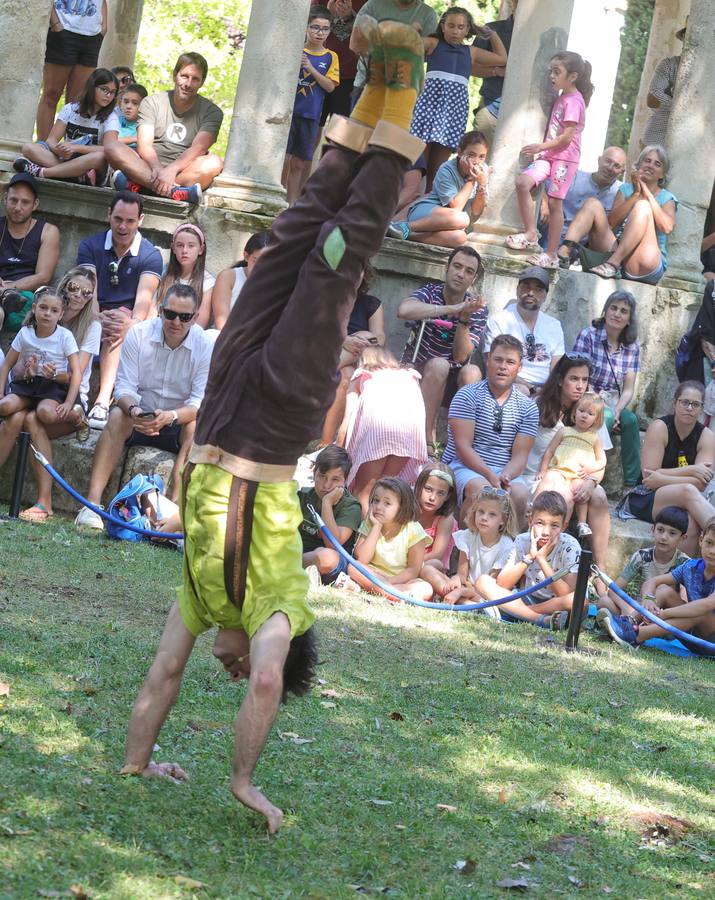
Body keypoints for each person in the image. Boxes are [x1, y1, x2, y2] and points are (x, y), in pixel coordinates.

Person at [119, 18, 426, 834]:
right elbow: (262, 684)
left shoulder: (197, 599)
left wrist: (136, 761)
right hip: (280, 416)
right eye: (243, 666)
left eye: (227, 667)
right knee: (335, 260)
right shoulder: (275, 608)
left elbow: (160, 677)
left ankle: (372, 96)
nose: (226, 670)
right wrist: (243, 780)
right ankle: (399, 94)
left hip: (222, 406)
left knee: (290, 238)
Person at [75, 283, 212, 518]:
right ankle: (91, 506)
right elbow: (124, 387)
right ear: (160, 310)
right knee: (118, 415)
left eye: (185, 316)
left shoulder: (205, 346)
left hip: (178, 422)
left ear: (196, 317)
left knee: (198, 427)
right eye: (170, 314)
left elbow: (199, 403)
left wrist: (172, 417)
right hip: (138, 416)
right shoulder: (139, 334)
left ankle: (175, 515)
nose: (176, 322)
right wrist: (135, 410)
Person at [522, 353, 612, 598]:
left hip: (580, 477)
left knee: (600, 496)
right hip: (542, 475)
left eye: (585, 379)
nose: (580, 385)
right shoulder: (538, 404)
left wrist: (591, 481)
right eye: (574, 378)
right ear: (561, 379)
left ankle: (601, 569)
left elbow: (601, 462)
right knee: (558, 488)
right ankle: (538, 562)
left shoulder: (592, 410)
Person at [17, 267, 101, 522]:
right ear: (64, 286)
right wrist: (31, 370)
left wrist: (50, 374)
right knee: (24, 418)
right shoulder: (45, 312)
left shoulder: (91, 326)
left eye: (86, 293)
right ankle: (44, 502)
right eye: (74, 288)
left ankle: (77, 417)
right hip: (37, 389)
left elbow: (76, 374)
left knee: (33, 419)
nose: (78, 296)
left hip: (68, 394)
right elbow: (19, 366)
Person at [76, 190, 163, 428]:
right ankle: (76, 395)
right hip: (92, 309)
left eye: (130, 221)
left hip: (128, 317)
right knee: (96, 320)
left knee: (119, 323)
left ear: (141, 220)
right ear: (109, 215)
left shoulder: (151, 255)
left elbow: (143, 303)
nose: (123, 226)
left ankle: (103, 400)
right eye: (118, 219)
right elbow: (87, 291)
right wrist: (95, 317)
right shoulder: (90, 246)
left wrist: (129, 323)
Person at [506, 51, 593, 269]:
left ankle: (552, 253)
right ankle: (530, 233)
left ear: (572, 76)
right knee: (522, 182)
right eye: (551, 71)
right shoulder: (562, 97)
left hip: (564, 159)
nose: (552, 76)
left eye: (557, 72)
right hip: (549, 156)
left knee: (555, 203)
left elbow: (566, 138)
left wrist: (540, 147)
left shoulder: (574, 101)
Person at [442, 333, 539, 527]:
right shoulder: (467, 395)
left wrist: (505, 476)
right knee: (482, 492)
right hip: (465, 467)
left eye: (510, 362)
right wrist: (489, 475)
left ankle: (509, 553)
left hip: (506, 471)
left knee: (520, 496)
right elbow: (463, 447)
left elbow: (520, 456)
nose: (503, 366)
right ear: (488, 360)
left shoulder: (528, 408)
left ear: (519, 367)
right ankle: (463, 554)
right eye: (498, 360)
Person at [396, 245, 485, 450]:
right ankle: (425, 441)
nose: (461, 274)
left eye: (469, 271)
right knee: (438, 365)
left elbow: (461, 356)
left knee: (472, 371)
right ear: (447, 267)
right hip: (419, 370)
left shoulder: (476, 309)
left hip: (452, 376)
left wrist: (463, 319)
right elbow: (403, 310)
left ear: (474, 279)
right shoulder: (430, 292)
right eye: (457, 266)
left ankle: (460, 447)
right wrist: (450, 309)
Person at [409, 7, 506, 191]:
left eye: (461, 27)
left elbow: (501, 58)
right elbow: (409, 45)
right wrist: (415, 30)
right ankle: (407, 205)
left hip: (453, 112)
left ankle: (428, 206)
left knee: (437, 169)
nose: (455, 31)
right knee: (417, 164)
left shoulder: (471, 52)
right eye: (451, 26)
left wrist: (491, 34)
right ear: (442, 26)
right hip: (429, 107)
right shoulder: (433, 43)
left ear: (468, 29)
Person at [108, 52, 224, 203]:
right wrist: (158, 169)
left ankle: (139, 185)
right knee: (113, 147)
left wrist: (171, 170)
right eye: (184, 76)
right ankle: (175, 192)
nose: (188, 84)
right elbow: (144, 144)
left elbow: (198, 149)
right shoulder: (152, 102)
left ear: (202, 82)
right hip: (148, 166)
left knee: (214, 162)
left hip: (183, 171)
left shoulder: (212, 112)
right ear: (175, 75)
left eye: (195, 79)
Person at [620, 381, 715, 556]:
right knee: (687, 490)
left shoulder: (707, 436)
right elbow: (649, 476)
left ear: (702, 409)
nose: (689, 408)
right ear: (675, 403)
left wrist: (662, 478)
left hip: (685, 501)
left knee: (691, 526)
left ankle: (680, 580)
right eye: (684, 402)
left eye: (695, 404)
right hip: (647, 497)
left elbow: (701, 484)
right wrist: (693, 470)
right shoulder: (660, 427)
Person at [558, 145, 677, 284]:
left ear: (662, 174)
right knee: (592, 203)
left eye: (657, 164)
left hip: (643, 261)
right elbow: (612, 222)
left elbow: (667, 228)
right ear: (639, 164)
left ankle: (613, 264)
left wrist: (647, 194)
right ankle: (564, 253)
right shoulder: (625, 189)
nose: (650, 165)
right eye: (647, 160)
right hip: (615, 251)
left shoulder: (668, 198)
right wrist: (636, 194)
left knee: (643, 206)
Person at [598, 516, 715, 657]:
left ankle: (637, 635)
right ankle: (630, 622)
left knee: (699, 610)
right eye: (709, 542)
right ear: (701, 540)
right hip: (690, 634)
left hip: (710, 643)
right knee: (663, 590)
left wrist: (663, 614)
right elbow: (651, 583)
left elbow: (706, 606)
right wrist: (648, 600)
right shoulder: (690, 567)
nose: (712, 551)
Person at [338, 346, 427, 512]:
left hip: (377, 434)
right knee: (385, 491)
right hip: (408, 436)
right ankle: (379, 534)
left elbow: (347, 421)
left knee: (363, 493)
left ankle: (360, 536)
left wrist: (336, 452)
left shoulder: (362, 375)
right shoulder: (410, 375)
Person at [476, 490, 579, 630]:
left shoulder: (570, 546)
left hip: (557, 604)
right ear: (530, 521)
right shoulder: (522, 540)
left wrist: (542, 560)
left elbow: (567, 594)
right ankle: (540, 620)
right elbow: (503, 584)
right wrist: (529, 557)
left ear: (564, 526)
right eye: (540, 523)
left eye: (554, 525)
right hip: (528, 598)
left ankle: (518, 612)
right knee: (483, 581)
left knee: (577, 601)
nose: (546, 532)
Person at [573, 290, 641, 487]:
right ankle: (595, 471)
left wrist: (619, 409)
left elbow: (628, 388)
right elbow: (577, 373)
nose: (617, 314)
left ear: (629, 319)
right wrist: (602, 404)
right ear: (605, 311)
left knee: (630, 420)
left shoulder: (632, 347)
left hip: (612, 400)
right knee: (607, 417)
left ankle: (631, 482)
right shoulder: (589, 335)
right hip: (587, 395)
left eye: (623, 311)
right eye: (613, 308)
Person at [0, 288, 81, 441]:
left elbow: (76, 372)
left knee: (45, 413)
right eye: (43, 307)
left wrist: (69, 402)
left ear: (61, 315)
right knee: (3, 406)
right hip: (27, 384)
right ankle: (26, 407)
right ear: (34, 308)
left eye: (54, 310)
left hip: (52, 387)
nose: (47, 313)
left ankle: (76, 416)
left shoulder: (65, 336)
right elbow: (6, 365)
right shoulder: (25, 332)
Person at [15, 68, 120, 187]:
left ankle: (43, 172)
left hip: (91, 166)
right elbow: (51, 140)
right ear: (92, 87)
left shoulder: (112, 117)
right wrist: (58, 150)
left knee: (100, 157)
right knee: (28, 148)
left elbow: (109, 150)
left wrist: (76, 148)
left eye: (113, 92)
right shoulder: (70, 109)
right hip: (67, 160)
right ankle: (75, 175)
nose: (108, 95)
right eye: (104, 89)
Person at [319, 262, 385, 446]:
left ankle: (320, 374)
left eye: (359, 271)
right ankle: (325, 442)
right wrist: (344, 340)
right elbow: (316, 331)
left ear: (365, 274)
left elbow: (379, 337)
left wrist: (362, 341)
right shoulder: (326, 299)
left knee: (366, 336)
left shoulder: (371, 304)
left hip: (358, 357)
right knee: (346, 376)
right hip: (326, 350)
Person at [389, 130, 489, 247]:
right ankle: (407, 227)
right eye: (471, 155)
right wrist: (472, 179)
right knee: (462, 218)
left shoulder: (483, 171)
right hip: (427, 211)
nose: (476, 162)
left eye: (482, 157)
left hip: (449, 223)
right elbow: (456, 208)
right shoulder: (446, 169)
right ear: (460, 152)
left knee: (459, 238)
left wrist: (482, 184)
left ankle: (403, 233)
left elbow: (476, 211)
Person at [283, 6, 340, 206]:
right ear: (306, 28)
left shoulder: (331, 56)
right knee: (283, 158)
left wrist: (310, 68)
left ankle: (291, 203)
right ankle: (278, 198)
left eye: (324, 29)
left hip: (311, 115)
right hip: (288, 114)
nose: (319, 32)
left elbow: (330, 86)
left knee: (299, 162)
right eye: (315, 27)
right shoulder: (296, 50)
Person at [426, 483, 516, 607]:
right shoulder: (468, 536)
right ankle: (467, 604)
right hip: (466, 587)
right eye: (481, 512)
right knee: (428, 568)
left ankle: (464, 602)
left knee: (485, 594)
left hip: (484, 594)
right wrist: (456, 579)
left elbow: (490, 586)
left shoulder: (506, 546)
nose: (484, 518)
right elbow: (462, 575)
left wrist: (461, 591)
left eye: (492, 514)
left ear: (503, 520)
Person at [345, 476, 432, 600]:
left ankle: (381, 591)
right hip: (373, 575)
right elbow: (362, 559)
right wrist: (376, 527)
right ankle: (396, 596)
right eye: (376, 500)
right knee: (354, 567)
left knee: (426, 588)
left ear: (402, 507)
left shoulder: (414, 529)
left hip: (401, 580)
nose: (379, 507)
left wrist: (389, 581)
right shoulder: (370, 523)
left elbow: (413, 570)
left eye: (387, 503)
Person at [482, 265, 564, 397]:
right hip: (511, 385)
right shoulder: (499, 320)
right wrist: (531, 388)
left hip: (545, 390)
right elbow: (491, 363)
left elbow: (557, 368)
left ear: (545, 295)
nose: (531, 293)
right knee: (522, 391)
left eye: (538, 289)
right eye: (526, 286)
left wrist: (549, 391)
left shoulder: (554, 325)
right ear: (517, 289)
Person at [597, 505, 689, 618]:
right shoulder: (642, 556)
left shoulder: (685, 563)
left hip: (664, 614)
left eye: (672, 533)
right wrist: (627, 608)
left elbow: (684, 604)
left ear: (682, 538)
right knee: (604, 602)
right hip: (641, 608)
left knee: (665, 594)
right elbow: (614, 590)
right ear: (653, 530)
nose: (664, 537)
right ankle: (630, 621)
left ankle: (628, 625)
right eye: (660, 530)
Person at [536, 392, 606, 536]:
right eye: (581, 411)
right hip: (559, 469)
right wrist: (543, 469)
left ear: (597, 419)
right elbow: (550, 450)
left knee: (579, 493)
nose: (584, 416)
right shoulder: (564, 431)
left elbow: (602, 460)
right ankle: (534, 506)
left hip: (578, 474)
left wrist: (590, 468)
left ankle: (578, 522)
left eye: (590, 414)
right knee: (547, 479)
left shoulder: (595, 438)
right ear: (575, 412)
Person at [36, 0, 108, 141]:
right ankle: (43, 148)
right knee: (52, 94)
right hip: (63, 30)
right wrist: (56, 24)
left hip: (92, 35)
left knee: (77, 101)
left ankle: (67, 150)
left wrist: (104, 26)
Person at [539, 146, 627, 257]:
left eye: (616, 166)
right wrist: (544, 201)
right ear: (599, 160)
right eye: (608, 161)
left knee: (592, 205)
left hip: (585, 249)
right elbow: (541, 183)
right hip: (552, 235)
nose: (610, 168)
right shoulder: (575, 178)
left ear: (622, 171)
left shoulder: (621, 193)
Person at [0, 174, 60, 333]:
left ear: (35, 204)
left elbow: (43, 277)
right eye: (13, 200)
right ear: (5, 198)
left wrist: (7, 287)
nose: (18, 207)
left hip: (24, 295)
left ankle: (7, 297)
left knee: (23, 303)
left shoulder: (48, 231)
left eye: (25, 202)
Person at [350, 0, 438, 105]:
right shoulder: (373, 5)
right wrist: (408, 43)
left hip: (403, 90)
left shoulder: (428, 14)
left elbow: (425, 54)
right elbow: (355, 45)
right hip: (366, 85)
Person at [300, 444, 364, 585]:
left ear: (345, 481)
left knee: (327, 556)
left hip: (330, 562)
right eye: (322, 476)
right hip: (301, 554)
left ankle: (290, 567)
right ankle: (303, 571)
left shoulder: (351, 506)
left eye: (335, 479)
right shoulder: (303, 496)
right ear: (314, 474)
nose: (327, 485)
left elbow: (333, 544)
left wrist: (326, 504)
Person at [312, 0, 368, 121]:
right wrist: (327, 15)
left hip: (349, 75)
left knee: (339, 129)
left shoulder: (368, 3)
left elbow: (368, 37)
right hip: (317, 71)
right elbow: (308, 29)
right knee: (312, 125)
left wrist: (349, 17)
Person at [471, 0, 516, 150]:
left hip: (523, 118)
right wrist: (495, 71)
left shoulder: (543, 35)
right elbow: (469, 67)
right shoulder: (492, 29)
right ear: (512, 3)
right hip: (490, 110)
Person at [205, 232, 271, 330]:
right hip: (224, 339)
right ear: (246, 256)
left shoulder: (275, 285)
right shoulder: (229, 277)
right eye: (256, 261)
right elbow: (221, 324)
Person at [156, 224, 214, 327]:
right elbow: (153, 308)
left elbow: (200, 324)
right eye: (180, 245)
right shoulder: (164, 272)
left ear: (201, 249)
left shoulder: (208, 283)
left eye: (191, 246)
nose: (184, 251)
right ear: (173, 248)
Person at [642, 23, 686, 149]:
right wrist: (682, 108)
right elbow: (652, 98)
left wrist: (668, 102)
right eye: (686, 35)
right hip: (657, 137)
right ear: (683, 37)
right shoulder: (669, 65)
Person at [414, 462, 458, 588]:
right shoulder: (410, 509)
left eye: (440, 493)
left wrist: (411, 563)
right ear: (419, 486)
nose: (432, 497)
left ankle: (445, 589)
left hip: (429, 565)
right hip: (406, 561)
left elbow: (437, 554)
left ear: (448, 496)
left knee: (432, 564)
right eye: (428, 489)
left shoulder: (445, 519)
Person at [116, 83, 148, 150]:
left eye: (135, 103)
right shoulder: (115, 121)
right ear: (120, 103)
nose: (128, 106)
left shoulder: (145, 126)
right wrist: (136, 139)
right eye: (126, 102)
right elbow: (109, 142)